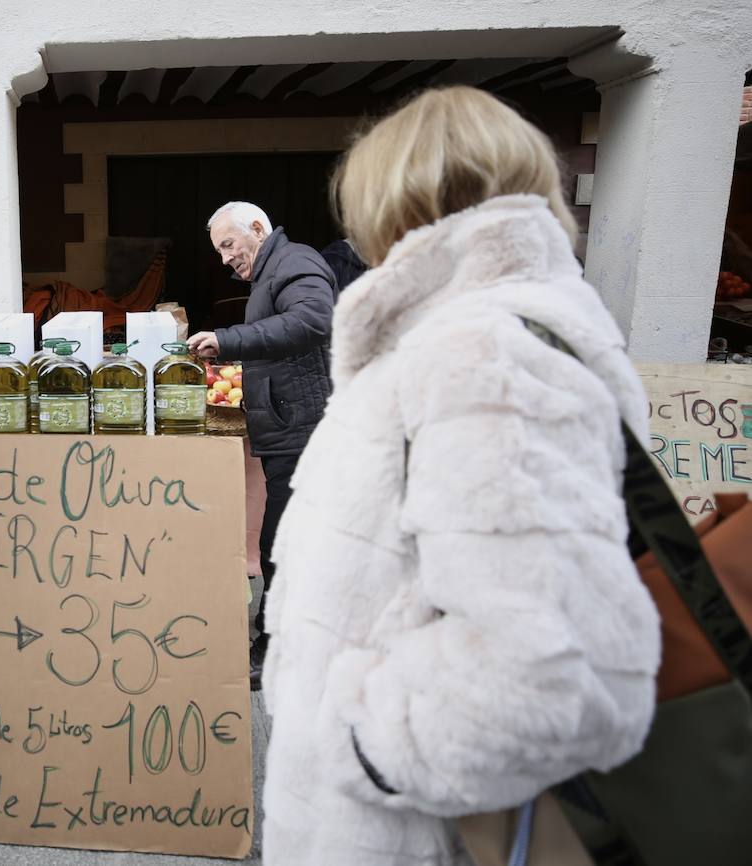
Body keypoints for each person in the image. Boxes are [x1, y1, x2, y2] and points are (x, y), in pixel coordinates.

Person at [260, 86, 661, 865]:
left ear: (393, 201)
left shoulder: (481, 354)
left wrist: (364, 744)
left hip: (411, 836)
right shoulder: (482, 330)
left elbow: (547, 679)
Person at [186, 201, 335, 689]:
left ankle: (276, 651)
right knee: (285, 541)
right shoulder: (272, 271)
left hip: (303, 428)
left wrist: (229, 340)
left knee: (283, 542)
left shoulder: (296, 261)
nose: (225, 259)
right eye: (219, 251)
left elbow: (314, 319)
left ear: (257, 228)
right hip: (288, 425)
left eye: (228, 245)